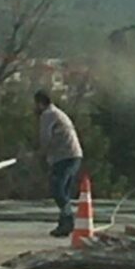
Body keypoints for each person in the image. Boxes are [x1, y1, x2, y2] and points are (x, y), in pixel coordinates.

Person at [35, 90, 83, 237]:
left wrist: (39, 153)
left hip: (65, 157)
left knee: (58, 190)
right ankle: (64, 225)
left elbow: (45, 138)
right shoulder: (58, 113)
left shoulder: (48, 115)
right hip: (74, 155)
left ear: (40, 103)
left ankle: (68, 221)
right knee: (64, 192)